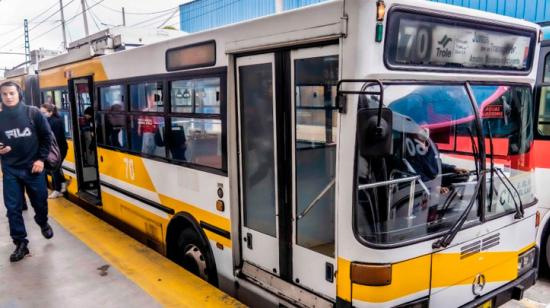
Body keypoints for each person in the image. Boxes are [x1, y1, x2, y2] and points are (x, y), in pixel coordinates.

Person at [0, 81, 54, 262]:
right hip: (10, 170)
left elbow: (47, 138)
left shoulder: (33, 113)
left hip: (34, 168)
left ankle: (42, 221)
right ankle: (20, 243)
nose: (8, 97)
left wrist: (41, 159)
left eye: (11, 93)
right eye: (4, 94)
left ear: (19, 94)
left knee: (39, 201)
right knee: (12, 208)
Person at [40, 103, 69, 198]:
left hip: (58, 149)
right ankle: (63, 183)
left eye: (44, 113)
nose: (42, 114)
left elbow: (54, 138)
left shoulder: (54, 122)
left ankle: (58, 190)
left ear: (50, 112)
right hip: (57, 149)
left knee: (54, 169)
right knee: (55, 168)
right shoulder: (51, 120)